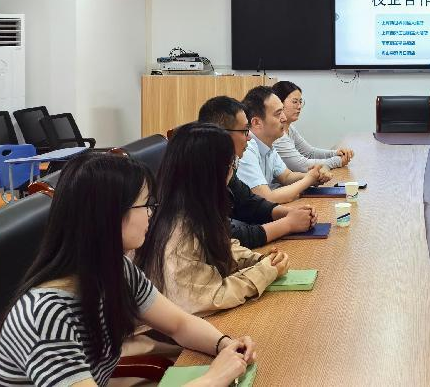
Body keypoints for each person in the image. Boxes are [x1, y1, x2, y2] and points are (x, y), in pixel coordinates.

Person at [0, 154, 257, 387]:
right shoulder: (45, 316)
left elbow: (179, 324)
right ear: (108, 215)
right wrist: (213, 379)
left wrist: (224, 344)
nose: (151, 214)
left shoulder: (116, 269)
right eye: (146, 205)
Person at [136, 123, 290, 316]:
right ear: (212, 174)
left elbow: (221, 246)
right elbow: (209, 298)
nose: (232, 172)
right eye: (231, 164)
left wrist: (258, 260)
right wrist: (263, 272)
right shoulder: (178, 231)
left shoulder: (191, 209)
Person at [198, 96, 317, 248]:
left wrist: (290, 213)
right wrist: (288, 224)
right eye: (244, 131)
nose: (249, 137)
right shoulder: (198, 171)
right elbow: (227, 237)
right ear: (221, 134)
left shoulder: (226, 166)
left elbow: (249, 202)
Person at [235, 86, 330, 204]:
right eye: (278, 114)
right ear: (257, 122)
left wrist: (314, 175)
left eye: (283, 111)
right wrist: (308, 179)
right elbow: (266, 198)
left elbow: (286, 177)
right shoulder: (246, 148)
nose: (284, 118)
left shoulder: (268, 143)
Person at [272, 81, 354, 172]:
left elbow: (309, 153)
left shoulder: (290, 128)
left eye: (300, 102)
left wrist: (335, 153)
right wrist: (337, 161)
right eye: (295, 102)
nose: (299, 106)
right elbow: (301, 165)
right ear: (279, 103)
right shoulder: (276, 135)